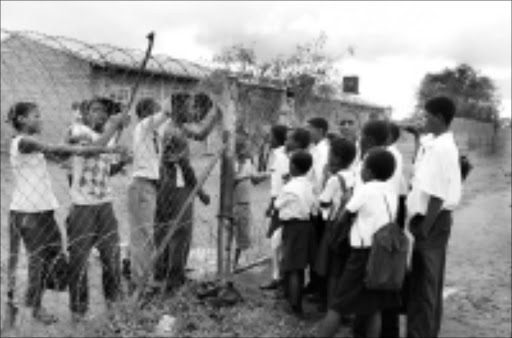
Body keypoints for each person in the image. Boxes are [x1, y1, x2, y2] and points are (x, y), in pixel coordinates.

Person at [6, 101, 122, 325]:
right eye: (35, 116)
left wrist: (74, 147)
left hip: (43, 211)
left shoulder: (34, 145)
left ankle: (31, 303)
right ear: (21, 120)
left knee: (53, 261)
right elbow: (59, 150)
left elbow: (60, 156)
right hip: (27, 212)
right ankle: (30, 307)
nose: (40, 119)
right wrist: (92, 146)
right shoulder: (24, 141)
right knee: (38, 262)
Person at [318, 148, 400, 338]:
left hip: (362, 255)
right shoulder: (391, 191)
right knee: (373, 306)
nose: (360, 170)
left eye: (362, 167)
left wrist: (347, 201)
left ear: (369, 172)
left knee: (338, 304)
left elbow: (343, 217)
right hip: (383, 254)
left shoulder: (365, 190)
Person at [66, 97, 131, 323]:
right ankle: (78, 312)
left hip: (105, 206)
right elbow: (92, 150)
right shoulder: (79, 130)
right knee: (79, 262)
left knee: (112, 258)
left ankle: (114, 305)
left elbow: (104, 170)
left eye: (104, 112)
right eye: (95, 110)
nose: (100, 115)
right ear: (85, 113)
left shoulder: (106, 138)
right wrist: (114, 125)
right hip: (82, 207)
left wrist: (121, 162)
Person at [406, 96, 462, 338]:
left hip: (432, 220)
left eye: (427, 116)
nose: (423, 120)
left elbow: (437, 196)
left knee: (424, 283)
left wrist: (425, 228)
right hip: (433, 219)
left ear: (439, 118)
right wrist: (418, 135)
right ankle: (425, 330)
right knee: (427, 280)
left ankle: (421, 332)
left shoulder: (441, 149)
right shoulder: (437, 143)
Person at [154, 92, 218, 290]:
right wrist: (201, 193)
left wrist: (214, 117)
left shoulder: (172, 127)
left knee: (163, 228)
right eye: (190, 107)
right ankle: (175, 279)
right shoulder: (177, 133)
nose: (194, 111)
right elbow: (186, 167)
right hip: (177, 185)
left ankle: (161, 271)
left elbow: (200, 134)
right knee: (181, 232)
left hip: (163, 184)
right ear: (179, 109)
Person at [128, 96, 176, 293]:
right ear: (148, 113)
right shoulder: (143, 127)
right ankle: (140, 282)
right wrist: (170, 102)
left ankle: (142, 279)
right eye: (154, 110)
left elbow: (170, 122)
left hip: (150, 186)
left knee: (146, 234)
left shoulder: (154, 133)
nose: (159, 114)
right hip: (142, 184)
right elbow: (165, 113)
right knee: (143, 235)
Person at [316, 137, 357, 312]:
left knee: (332, 268)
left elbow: (324, 202)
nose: (328, 157)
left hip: (334, 226)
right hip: (350, 227)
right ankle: (344, 306)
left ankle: (332, 306)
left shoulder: (334, 179)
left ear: (338, 158)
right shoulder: (355, 174)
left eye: (330, 154)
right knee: (342, 267)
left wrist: (324, 182)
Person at [274, 150, 317, 317]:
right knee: (300, 267)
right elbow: (314, 207)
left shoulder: (289, 188)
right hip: (307, 226)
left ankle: (295, 305)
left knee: (293, 267)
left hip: (293, 228)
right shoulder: (309, 185)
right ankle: (295, 301)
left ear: (293, 166)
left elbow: (277, 205)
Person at [229, 137, 267, 270]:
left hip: (244, 203)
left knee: (242, 235)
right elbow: (231, 181)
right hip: (233, 203)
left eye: (247, 148)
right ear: (238, 149)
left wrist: (267, 174)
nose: (247, 150)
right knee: (229, 234)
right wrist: (245, 176)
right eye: (245, 148)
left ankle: (234, 263)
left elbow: (255, 180)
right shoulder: (232, 163)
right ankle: (227, 262)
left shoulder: (249, 163)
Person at [260, 124, 289, 291]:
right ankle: (278, 276)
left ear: (277, 138)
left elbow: (279, 185)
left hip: (281, 203)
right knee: (277, 241)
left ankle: (277, 277)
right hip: (280, 201)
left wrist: (272, 205)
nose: (268, 139)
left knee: (277, 242)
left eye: (270, 136)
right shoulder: (279, 155)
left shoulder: (281, 157)